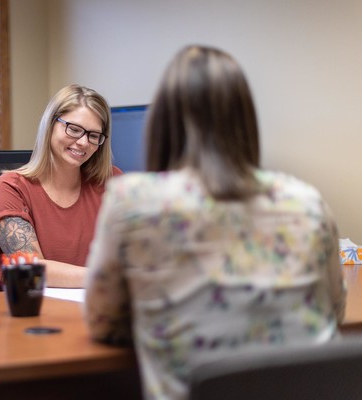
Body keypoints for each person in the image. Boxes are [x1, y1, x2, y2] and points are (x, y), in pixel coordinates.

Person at [83, 45, 346, 400]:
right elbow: (333, 308)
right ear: (246, 122)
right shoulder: (307, 199)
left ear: (162, 124)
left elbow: (102, 321)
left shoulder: (133, 201)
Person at [0, 84, 122, 290]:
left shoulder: (111, 182)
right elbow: (31, 269)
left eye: (94, 135)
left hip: (100, 308)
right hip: (32, 311)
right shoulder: (10, 187)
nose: (83, 142)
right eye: (74, 129)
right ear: (50, 125)